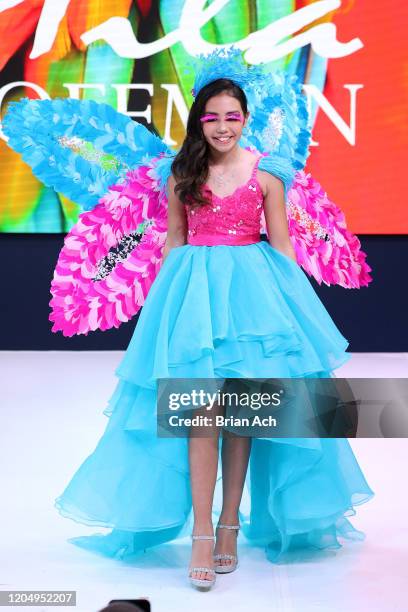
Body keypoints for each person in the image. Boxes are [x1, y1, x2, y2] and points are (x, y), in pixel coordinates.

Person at [51, 63, 374, 591]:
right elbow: (175, 240)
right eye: (212, 118)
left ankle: (230, 523)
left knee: (245, 414)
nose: (223, 127)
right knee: (199, 414)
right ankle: (202, 530)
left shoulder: (268, 174)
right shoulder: (181, 175)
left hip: (254, 298)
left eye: (232, 117)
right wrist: (165, 308)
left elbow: (283, 244)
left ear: (246, 120)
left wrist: (294, 307)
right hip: (193, 298)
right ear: (199, 122)